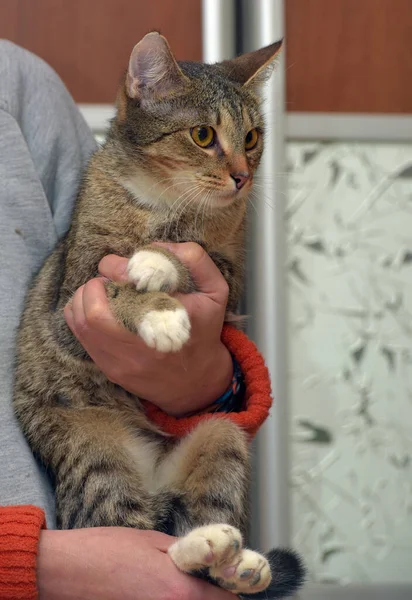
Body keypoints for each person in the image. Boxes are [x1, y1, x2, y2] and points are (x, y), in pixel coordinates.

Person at [0, 41, 272, 599]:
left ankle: (201, 557)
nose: (238, 170)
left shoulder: (21, 88)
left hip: (168, 432)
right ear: (143, 94)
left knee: (221, 441)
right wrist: (42, 561)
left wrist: (204, 383)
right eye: (204, 138)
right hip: (78, 409)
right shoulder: (106, 188)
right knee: (93, 449)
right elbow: (80, 299)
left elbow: (216, 314)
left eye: (248, 142)